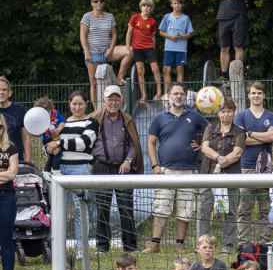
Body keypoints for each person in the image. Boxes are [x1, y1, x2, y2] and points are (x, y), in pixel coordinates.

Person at [145, 83, 208, 254]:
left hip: (189, 171)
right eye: (175, 93)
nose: (178, 96)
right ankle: (155, 244)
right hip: (166, 171)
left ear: (185, 96)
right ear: (169, 96)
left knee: (185, 210)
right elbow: (151, 142)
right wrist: (155, 165)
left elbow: (211, 129)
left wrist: (202, 144)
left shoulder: (194, 116)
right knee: (161, 208)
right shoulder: (159, 118)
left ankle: (180, 245)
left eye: (181, 93)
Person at [47, 91, 98, 259]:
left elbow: (84, 143)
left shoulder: (91, 122)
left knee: (80, 209)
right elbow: (50, 145)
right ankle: (58, 249)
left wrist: (59, 143)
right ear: (69, 104)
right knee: (59, 210)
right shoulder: (62, 124)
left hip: (81, 169)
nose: (77, 107)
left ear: (86, 104)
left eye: (80, 104)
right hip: (60, 170)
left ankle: (81, 250)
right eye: (74, 104)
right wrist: (49, 147)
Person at [92, 85, 142, 253]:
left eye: (116, 99)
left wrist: (128, 161)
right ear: (104, 100)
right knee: (102, 208)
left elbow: (134, 144)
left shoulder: (127, 119)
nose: (113, 102)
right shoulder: (94, 118)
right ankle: (102, 246)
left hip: (123, 169)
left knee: (126, 208)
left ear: (121, 100)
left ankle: (130, 246)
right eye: (110, 99)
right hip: (101, 167)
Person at [199, 97, 245, 254]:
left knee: (230, 211)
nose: (226, 114)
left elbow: (237, 153)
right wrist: (219, 158)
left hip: (230, 177)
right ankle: (203, 244)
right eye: (223, 111)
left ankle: (228, 245)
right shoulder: (210, 128)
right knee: (204, 209)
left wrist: (224, 162)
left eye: (229, 111)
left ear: (234, 112)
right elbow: (204, 147)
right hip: (208, 175)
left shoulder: (239, 132)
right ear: (218, 113)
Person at [235, 81, 273, 244]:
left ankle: (263, 242)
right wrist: (262, 137)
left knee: (265, 209)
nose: (256, 96)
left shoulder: (272, 116)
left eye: (259, 93)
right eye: (253, 93)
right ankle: (243, 243)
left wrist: (251, 134)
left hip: (265, 168)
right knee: (244, 209)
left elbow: (272, 137)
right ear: (248, 96)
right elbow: (241, 140)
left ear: (264, 95)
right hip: (246, 167)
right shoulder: (241, 116)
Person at [80, 0, 133, 108]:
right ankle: (96, 110)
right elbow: (83, 36)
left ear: (104, 2)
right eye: (96, 1)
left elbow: (114, 35)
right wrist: (86, 51)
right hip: (93, 53)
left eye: (101, 0)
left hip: (107, 52)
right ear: (91, 3)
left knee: (129, 51)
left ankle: (119, 78)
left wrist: (111, 49)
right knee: (94, 83)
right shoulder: (87, 16)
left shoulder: (110, 16)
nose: (99, 3)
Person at [126, 0, 161, 103]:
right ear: (141, 7)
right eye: (144, 5)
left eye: (149, 6)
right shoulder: (135, 17)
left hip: (149, 48)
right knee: (140, 72)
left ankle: (159, 93)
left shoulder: (153, 21)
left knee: (155, 69)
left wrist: (153, 47)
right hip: (137, 48)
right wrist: (128, 46)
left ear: (151, 9)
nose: (146, 8)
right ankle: (144, 95)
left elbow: (153, 36)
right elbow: (129, 32)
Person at [0, 113, 19, 270]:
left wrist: (7, 174)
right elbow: (7, 173)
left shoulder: (11, 148)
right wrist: (3, 174)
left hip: (6, 197)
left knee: (6, 240)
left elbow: (13, 173)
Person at [159, 0, 193, 95]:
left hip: (181, 49)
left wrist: (183, 36)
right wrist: (170, 37)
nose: (177, 5)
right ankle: (167, 94)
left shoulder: (186, 18)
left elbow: (190, 34)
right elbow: (161, 32)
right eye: (175, 3)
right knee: (166, 70)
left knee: (180, 70)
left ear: (182, 5)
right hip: (168, 48)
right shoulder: (167, 17)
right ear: (171, 5)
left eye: (179, 3)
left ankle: (179, 93)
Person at [214, 0, 247, 82]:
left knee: (238, 46)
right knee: (224, 47)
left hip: (238, 16)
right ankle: (224, 75)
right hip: (222, 16)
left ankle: (237, 75)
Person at [0, 78, 31, 164]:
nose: (1, 92)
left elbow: (26, 138)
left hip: (16, 160)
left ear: (10, 93)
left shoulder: (19, 110)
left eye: (4, 90)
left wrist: (27, 161)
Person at [34, 96, 65, 171]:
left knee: (56, 152)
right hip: (46, 140)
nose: (45, 113)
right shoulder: (38, 117)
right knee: (50, 153)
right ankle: (48, 170)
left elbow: (62, 122)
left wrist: (58, 129)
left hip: (57, 138)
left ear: (51, 108)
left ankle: (55, 170)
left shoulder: (55, 114)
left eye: (47, 110)